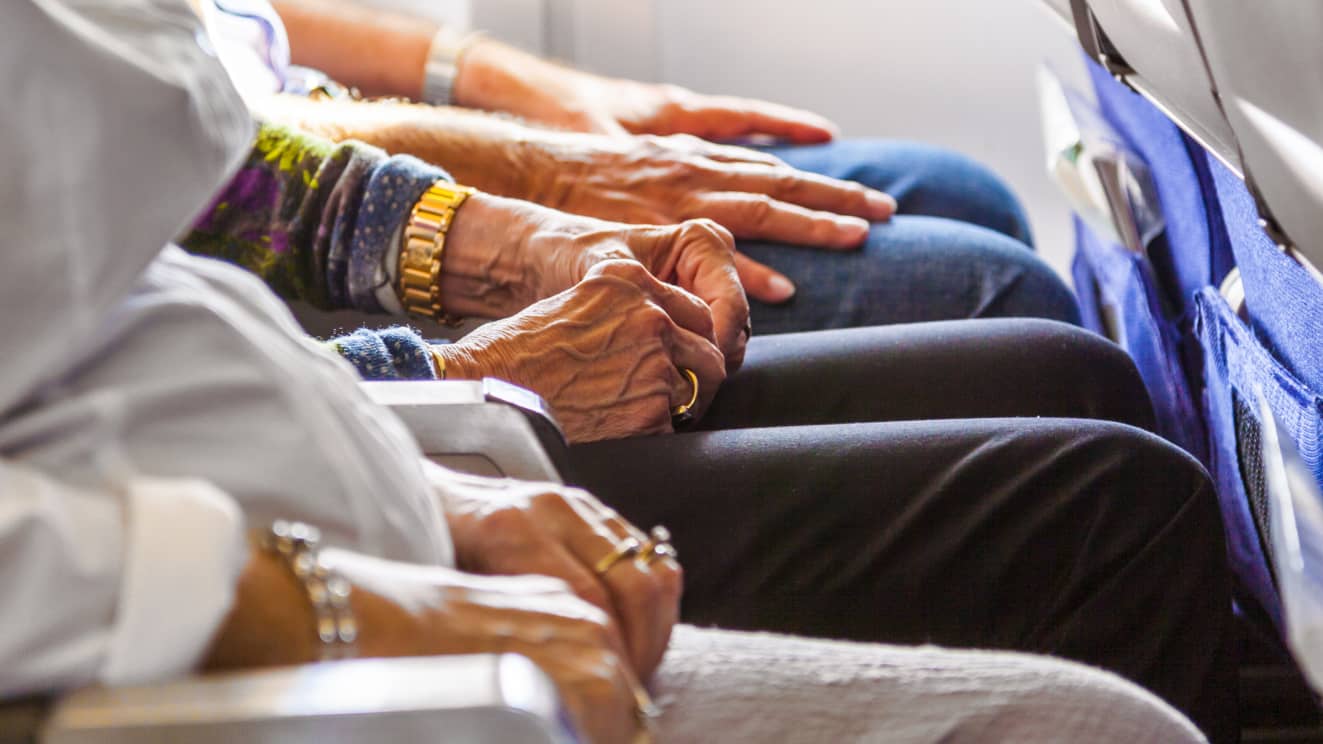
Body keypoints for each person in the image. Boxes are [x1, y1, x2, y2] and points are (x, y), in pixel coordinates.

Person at [171, 27, 1240, 744]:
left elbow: (197, 147)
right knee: (1107, 509)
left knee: (1069, 376)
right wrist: (456, 375)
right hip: (249, 508)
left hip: (269, 399)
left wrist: (522, 237)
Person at [210, 0, 1083, 334]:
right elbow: (204, 138)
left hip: (320, 127)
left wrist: (512, 82)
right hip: (265, 240)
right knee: (1001, 300)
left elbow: (227, 22)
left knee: (963, 196)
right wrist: (547, 178)